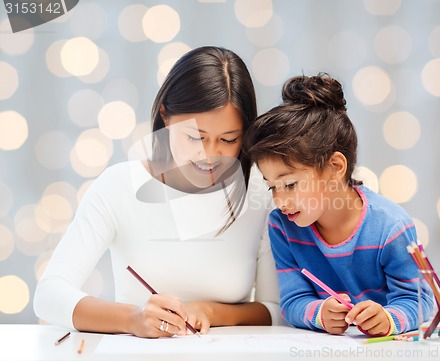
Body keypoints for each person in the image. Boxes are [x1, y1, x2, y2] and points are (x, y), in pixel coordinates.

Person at [33, 46, 283, 338]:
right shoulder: (119, 186)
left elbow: (275, 309)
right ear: (165, 116)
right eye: (194, 137)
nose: (210, 155)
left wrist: (211, 311)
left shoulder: (260, 191)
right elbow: (49, 295)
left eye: (228, 140)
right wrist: (132, 318)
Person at [243, 73, 433, 337]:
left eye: (290, 185)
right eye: (272, 186)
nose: (279, 200)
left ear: (335, 167)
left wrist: (388, 319)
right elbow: (292, 301)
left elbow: (420, 302)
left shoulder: (391, 227)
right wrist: (320, 314)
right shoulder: (283, 226)